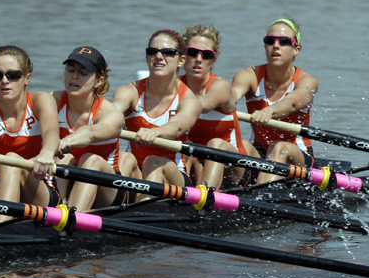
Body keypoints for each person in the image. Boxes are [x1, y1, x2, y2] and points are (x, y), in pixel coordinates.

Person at [0, 45, 60, 224]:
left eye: (13, 75)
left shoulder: (40, 101)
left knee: (11, 161)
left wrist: (47, 152)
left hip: (40, 190)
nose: (4, 80)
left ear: (27, 78)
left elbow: (51, 132)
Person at [112, 29, 201, 193]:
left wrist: (156, 133)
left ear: (181, 60)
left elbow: (177, 127)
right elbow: (111, 114)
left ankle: (139, 209)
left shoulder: (189, 100)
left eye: (168, 52)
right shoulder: (129, 91)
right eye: (152, 52)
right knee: (123, 158)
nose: (159, 57)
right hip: (136, 172)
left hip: (174, 174)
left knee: (153, 161)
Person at [232, 17, 318, 184]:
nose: (276, 46)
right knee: (236, 144)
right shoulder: (249, 75)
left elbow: (293, 102)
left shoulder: (307, 81)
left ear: (296, 49)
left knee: (279, 147)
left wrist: (268, 111)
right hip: (258, 151)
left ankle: (260, 199)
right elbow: (232, 95)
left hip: (296, 154)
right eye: (270, 41)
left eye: (284, 41)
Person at [180, 24, 260, 190]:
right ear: (183, 56)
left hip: (235, 169)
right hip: (197, 164)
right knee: (185, 145)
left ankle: (202, 203)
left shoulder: (220, 86)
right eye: (193, 52)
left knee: (215, 144)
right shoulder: (174, 86)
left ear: (213, 59)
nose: (199, 59)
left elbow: (206, 102)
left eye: (207, 55)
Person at [51, 46, 124, 211]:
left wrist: (65, 141)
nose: (75, 76)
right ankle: (58, 210)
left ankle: (70, 221)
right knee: (64, 158)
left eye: (83, 73)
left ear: (99, 81)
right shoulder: (51, 101)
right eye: (70, 70)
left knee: (90, 159)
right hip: (66, 179)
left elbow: (89, 133)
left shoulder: (111, 113)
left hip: (108, 190)